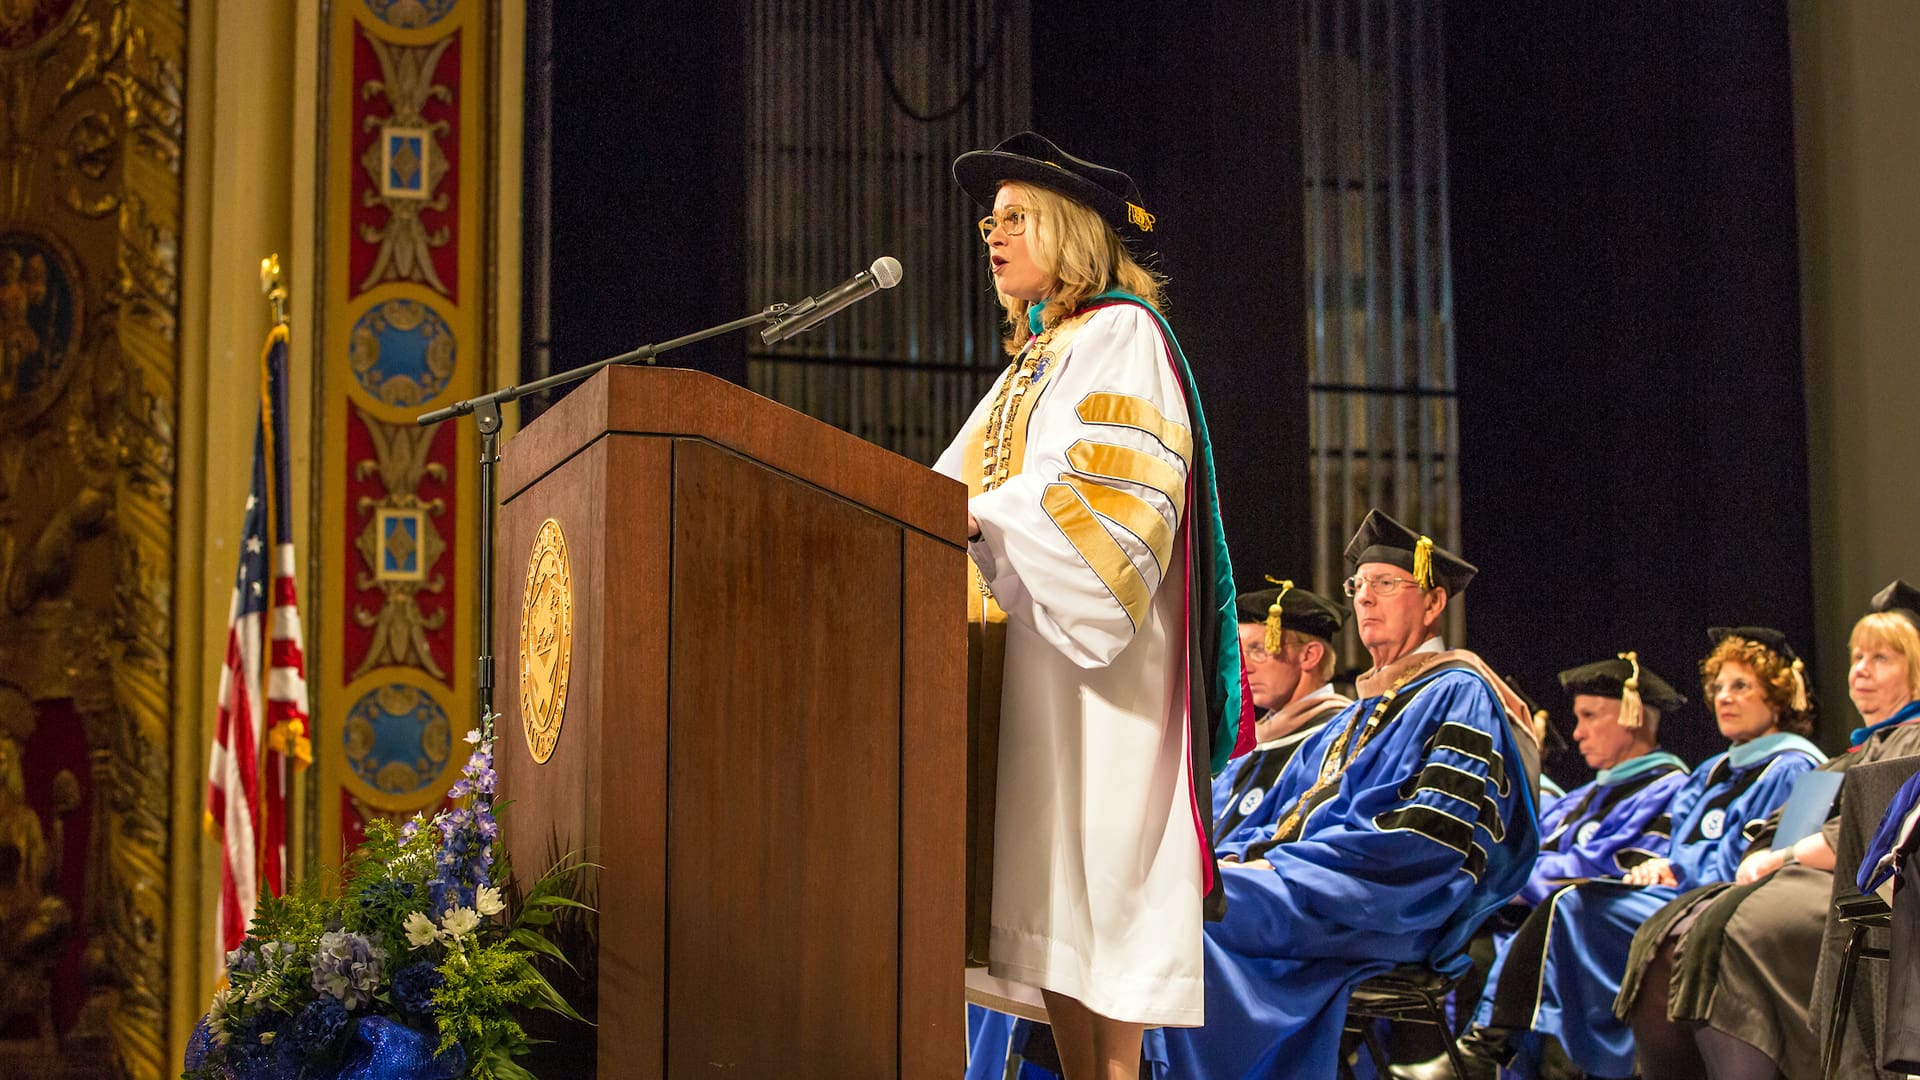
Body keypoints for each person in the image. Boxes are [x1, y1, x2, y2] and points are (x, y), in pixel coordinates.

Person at [936, 131, 1249, 1080]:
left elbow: (1114, 503)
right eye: (989, 222)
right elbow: (941, 492)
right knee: (1060, 934)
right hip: (1040, 671)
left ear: (1071, 232)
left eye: (1016, 217)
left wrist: (976, 522)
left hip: (1098, 680)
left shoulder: (1121, 336)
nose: (993, 236)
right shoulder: (1035, 358)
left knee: (1099, 927)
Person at [1149, 509, 1541, 1079]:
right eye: (1359, 585)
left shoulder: (1459, 692)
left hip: (1392, 900)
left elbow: (1430, 840)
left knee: (1181, 911)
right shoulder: (1349, 720)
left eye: (1387, 584)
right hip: (1315, 889)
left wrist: (1272, 869)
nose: (1365, 599)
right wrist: (1240, 857)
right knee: (1163, 895)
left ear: (1432, 604)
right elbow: (1279, 817)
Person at [1482, 627, 1825, 1079]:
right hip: (1683, 897)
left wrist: (1679, 869)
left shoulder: (1807, 768)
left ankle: (1518, 1050)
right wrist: (1664, 866)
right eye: (1718, 686)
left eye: (1740, 686)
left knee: (1571, 904)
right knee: (1571, 906)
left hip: (1736, 910)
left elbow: (1785, 875)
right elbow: (1682, 849)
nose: (1724, 697)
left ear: (1779, 692)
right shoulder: (1710, 771)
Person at [1620, 582, 1920, 1079]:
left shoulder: (1912, 742)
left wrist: (1784, 857)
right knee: (1666, 934)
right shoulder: (1843, 760)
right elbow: (1777, 838)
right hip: (1803, 881)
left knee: (1739, 931)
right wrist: (1769, 856)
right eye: (1856, 657)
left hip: (1867, 893)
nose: (1861, 670)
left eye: (1881, 658)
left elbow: (1879, 833)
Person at [1396, 654, 1692, 1079]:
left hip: (1591, 933)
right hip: (1529, 923)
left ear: (1634, 716)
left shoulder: (1668, 788)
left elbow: (1607, 865)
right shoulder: (1583, 797)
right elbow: (1522, 848)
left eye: (1591, 716)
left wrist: (1513, 877)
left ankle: (1483, 1052)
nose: (1577, 733)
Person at [1211, 581, 1354, 841]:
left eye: (1259, 650)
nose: (1245, 667)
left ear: (1310, 656)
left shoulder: (1339, 734)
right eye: (1240, 653)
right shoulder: (1253, 738)